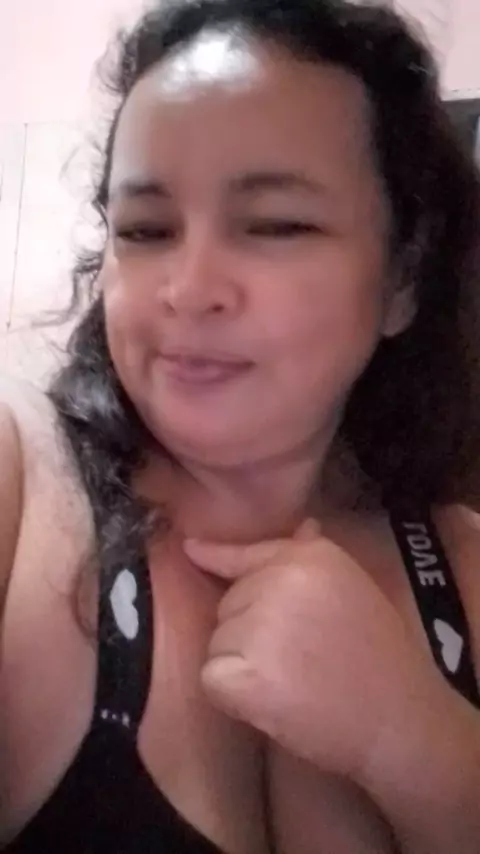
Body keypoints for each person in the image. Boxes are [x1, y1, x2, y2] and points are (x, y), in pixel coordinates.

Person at [1, 0, 480, 851]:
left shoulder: (467, 570)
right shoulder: (19, 492)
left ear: (403, 279)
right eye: (146, 229)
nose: (188, 289)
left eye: (274, 225)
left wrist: (415, 741)